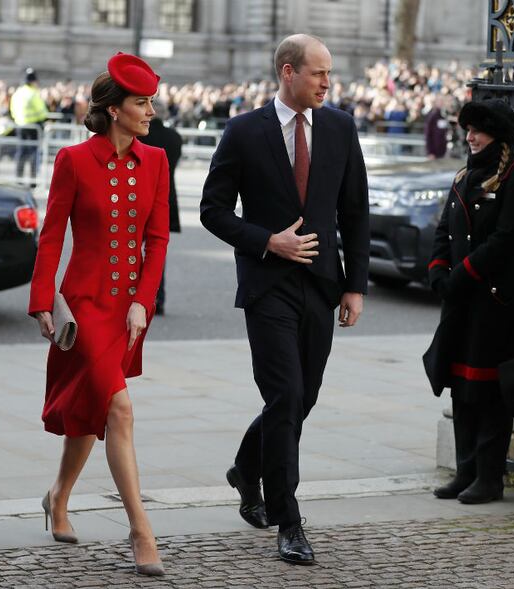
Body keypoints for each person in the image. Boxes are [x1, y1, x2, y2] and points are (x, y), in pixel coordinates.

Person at [200, 34, 369, 565]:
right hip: (267, 285)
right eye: (318, 73)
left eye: (330, 74)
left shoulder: (341, 127)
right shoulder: (244, 131)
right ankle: (288, 521)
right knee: (285, 394)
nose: (327, 83)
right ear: (288, 72)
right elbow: (213, 210)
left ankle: (247, 468)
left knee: (302, 399)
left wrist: (355, 285)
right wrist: (267, 240)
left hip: (321, 285)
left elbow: (355, 212)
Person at [28, 52, 169, 576]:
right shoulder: (73, 160)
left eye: (151, 101)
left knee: (93, 409)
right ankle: (140, 530)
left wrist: (142, 302)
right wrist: (42, 299)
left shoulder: (156, 161)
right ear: (114, 110)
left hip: (126, 311)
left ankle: (58, 496)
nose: (150, 111)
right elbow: (52, 234)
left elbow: (157, 242)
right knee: (120, 410)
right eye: (141, 102)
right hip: (84, 308)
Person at [425, 98, 514, 504]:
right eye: (467, 130)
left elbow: (506, 240)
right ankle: (466, 470)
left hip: (494, 303)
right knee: (461, 388)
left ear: (498, 135)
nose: (469, 137)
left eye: (478, 131)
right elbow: (445, 228)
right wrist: (438, 271)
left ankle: (490, 477)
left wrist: (462, 276)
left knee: (490, 392)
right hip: (460, 301)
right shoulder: (463, 177)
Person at [139, 98, 182, 314]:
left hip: (139, 195)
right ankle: (158, 297)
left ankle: (137, 295)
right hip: (166, 197)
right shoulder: (174, 137)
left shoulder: (139, 136)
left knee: (132, 247)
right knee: (157, 252)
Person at [10, 67, 47, 187]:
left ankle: (18, 179)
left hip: (20, 125)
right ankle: (33, 180)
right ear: (33, 81)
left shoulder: (17, 93)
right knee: (33, 154)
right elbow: (42, 111)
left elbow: (12, 109)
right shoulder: (33, 93)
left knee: (21, 153)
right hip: (33, 127)